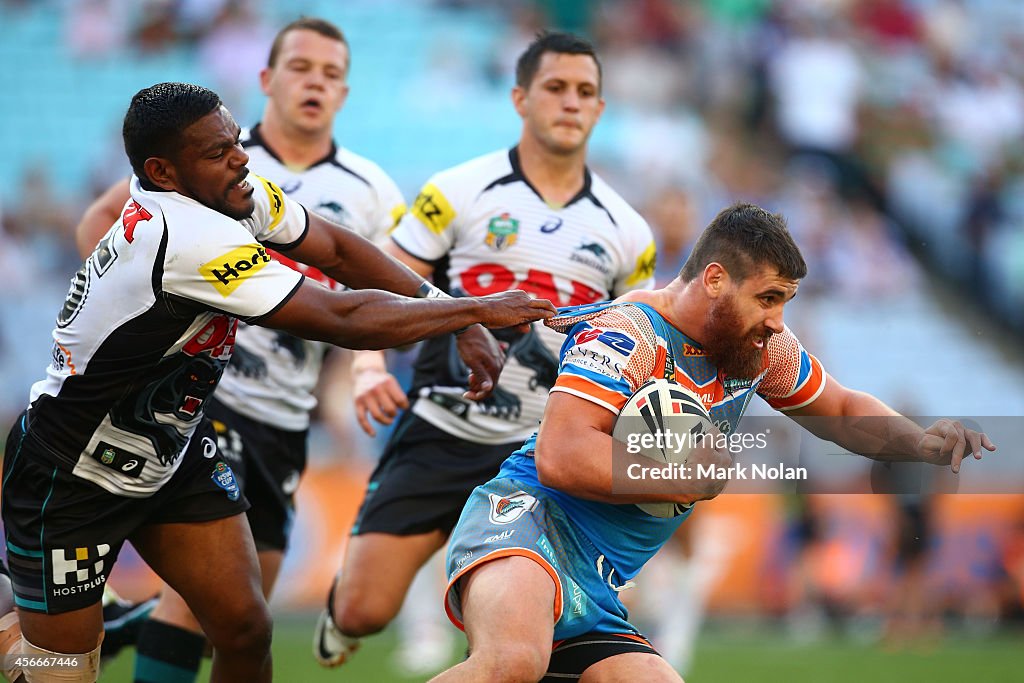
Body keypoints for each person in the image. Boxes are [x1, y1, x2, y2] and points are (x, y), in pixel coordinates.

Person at [1, 81, 555, 683]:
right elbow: (342, 317)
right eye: (217, 153)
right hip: (71, 474)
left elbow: (338, 249)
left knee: (244, 628)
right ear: (163, 171)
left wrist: (442, 304)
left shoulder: (229, 194)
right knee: (58, 670)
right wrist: (473, 312)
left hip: (169, 454)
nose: (241, 159)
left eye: (235, 142)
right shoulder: (184, 236)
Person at [430, 202, 996, 682]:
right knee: (511, 663)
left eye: (785, 301)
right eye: (769, 298)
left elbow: (844, 410)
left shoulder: (757, 349)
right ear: (716, 279)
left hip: (599, 583)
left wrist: (919, 441)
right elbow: (561, 456)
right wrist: (680, 476)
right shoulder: (627, 334)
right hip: (527, 525)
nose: (778, 320)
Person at [73, 17, 411, 681]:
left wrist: (368, 369)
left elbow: (370, 293)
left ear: (344, 92)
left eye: (331, 73)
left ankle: (128, 622)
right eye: (301, 67)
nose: (316, 81)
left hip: (287, 421)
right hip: (206, 401)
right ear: (266, 79)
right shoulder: (209, 156)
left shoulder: (372, 191)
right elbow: (97, 221)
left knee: (246, 613)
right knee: (205, 603)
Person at [314, 31, 658, 667]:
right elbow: (383, 279)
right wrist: (366, 370)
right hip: (442, 429)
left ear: (601, 110)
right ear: (521, 98)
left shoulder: (628, 232)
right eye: (556, 88)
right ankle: (344, 610)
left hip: (539, 456)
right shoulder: (459, 191)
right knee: (365, 608)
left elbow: (640, 348)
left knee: (525, 638)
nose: (571, 103)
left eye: (586, 92)